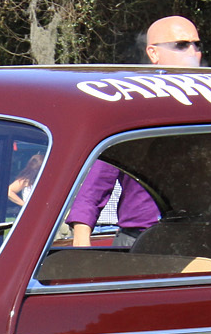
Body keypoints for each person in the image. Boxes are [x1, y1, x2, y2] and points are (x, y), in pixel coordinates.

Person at [67, 14, 202, 247]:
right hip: (140, 239)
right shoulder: (132, 105)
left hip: (201, 235)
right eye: (181, 45)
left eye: (196, 45)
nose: (192, 52)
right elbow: (98, 180)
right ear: (153, 53)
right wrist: (81, 242)